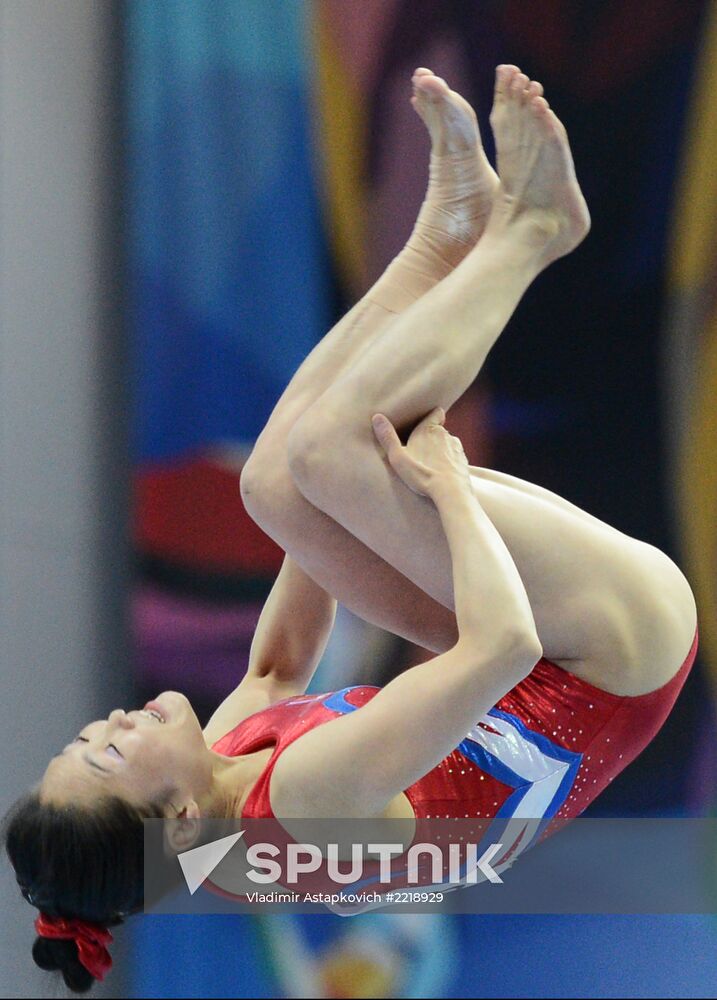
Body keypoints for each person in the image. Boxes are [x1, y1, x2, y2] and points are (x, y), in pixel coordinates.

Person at [3, 65, 697, 992]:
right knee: (331, 455)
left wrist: (326, 508)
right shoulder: (299, 809)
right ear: (168, 821)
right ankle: (533, 231)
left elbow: (278, 667)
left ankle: (443, 234)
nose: (112, 720)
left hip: (543, 668)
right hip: (606, 657)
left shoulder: (213, 812)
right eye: (111, 751)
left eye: (84, 736)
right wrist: (435, 491)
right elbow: (500, 645)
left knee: (276, 483)